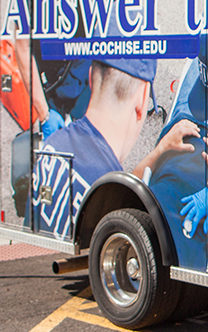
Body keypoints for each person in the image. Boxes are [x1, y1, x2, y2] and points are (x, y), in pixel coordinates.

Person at [33, 57, 198, 239]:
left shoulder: (55, 143)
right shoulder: (105, 183)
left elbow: (123, 186)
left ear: (90, 77)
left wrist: (160, 150)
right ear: (142, 100)